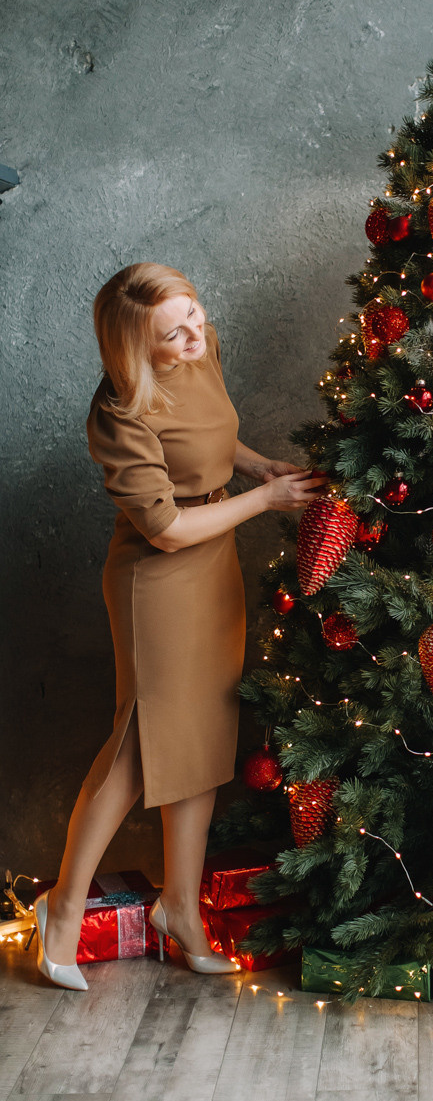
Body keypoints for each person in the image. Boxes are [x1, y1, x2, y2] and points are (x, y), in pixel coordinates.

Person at [32, 263, 326, 989]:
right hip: (158, 578)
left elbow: (214, 435)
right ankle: (62, 911)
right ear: (137, 346)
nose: (196, 332)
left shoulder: (202, 345)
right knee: (139, 745)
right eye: (175, 331)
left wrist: (258, 468)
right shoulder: (119, 412)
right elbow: (163, 527)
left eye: (194, 312)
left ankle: (179, 909)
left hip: (214, 561)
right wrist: (265, 504)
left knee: (205, 737)